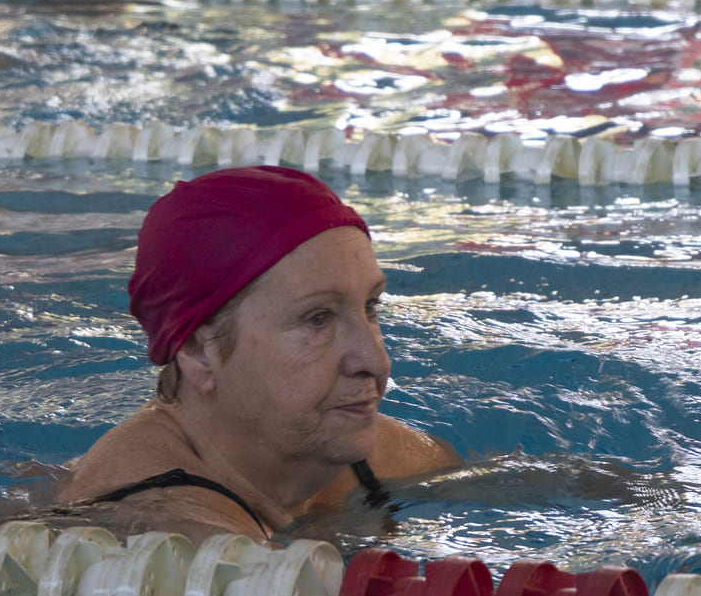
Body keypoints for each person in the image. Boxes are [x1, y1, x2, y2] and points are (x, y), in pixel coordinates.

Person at [57, 166, 459, 542]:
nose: (375, 361)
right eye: (317, 319)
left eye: (370, 306)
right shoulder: (161, 530)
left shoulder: (360, 447)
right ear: (199, 350)